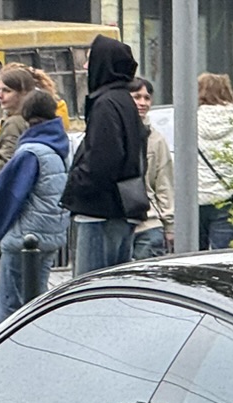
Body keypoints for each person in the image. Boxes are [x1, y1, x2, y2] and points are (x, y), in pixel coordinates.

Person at [0, 90, 71, 323]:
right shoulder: (61, 148)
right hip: (50, 235)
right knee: (35, 300)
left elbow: (9, 195)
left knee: (11, 308)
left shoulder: (30, 151)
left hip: (24, 237)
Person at [63, 36, 145, 274]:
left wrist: (77, 182)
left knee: (89, 286)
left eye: (90, 61)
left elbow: (103, 159)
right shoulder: (124, 101)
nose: (86, 67)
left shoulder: (105, 104)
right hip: (122, 207)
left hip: (100, 211)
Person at [196, 73, 233, 250]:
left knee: (191, 259)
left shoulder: (189, 122)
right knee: (223, 258)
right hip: (228, 199)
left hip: (196, 199)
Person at [128, 77, 175, 260]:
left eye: (147, 98)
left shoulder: (156, 140)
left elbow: (164, 184)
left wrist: (170, 226)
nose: (142, 103)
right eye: (136, 97)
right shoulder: (115, 133)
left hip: (149, 224)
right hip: (120, 225)